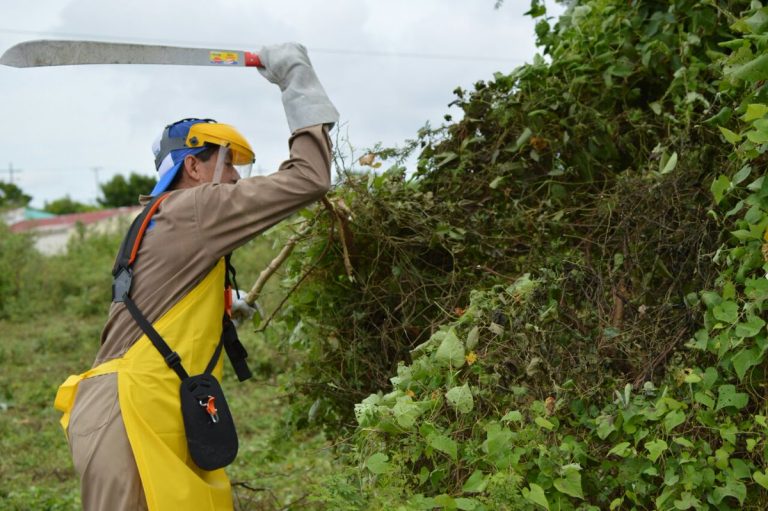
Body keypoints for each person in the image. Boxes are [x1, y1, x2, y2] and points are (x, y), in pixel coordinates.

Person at [53, 42, 339, 510]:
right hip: (131, 413)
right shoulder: (195, 209)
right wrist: (296, 80)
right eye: (228, 167)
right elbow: (310, 177)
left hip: (146, 404)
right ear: (193, 165)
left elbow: (165, 297)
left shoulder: (163, 216)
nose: (237, 182)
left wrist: (224, 306)